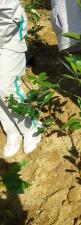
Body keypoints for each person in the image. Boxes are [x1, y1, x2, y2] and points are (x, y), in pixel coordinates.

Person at [0, 0, 41, 157]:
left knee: (6, 85)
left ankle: (30, 125)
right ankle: (12, 130)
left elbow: (7, 12)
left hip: (9, 36)